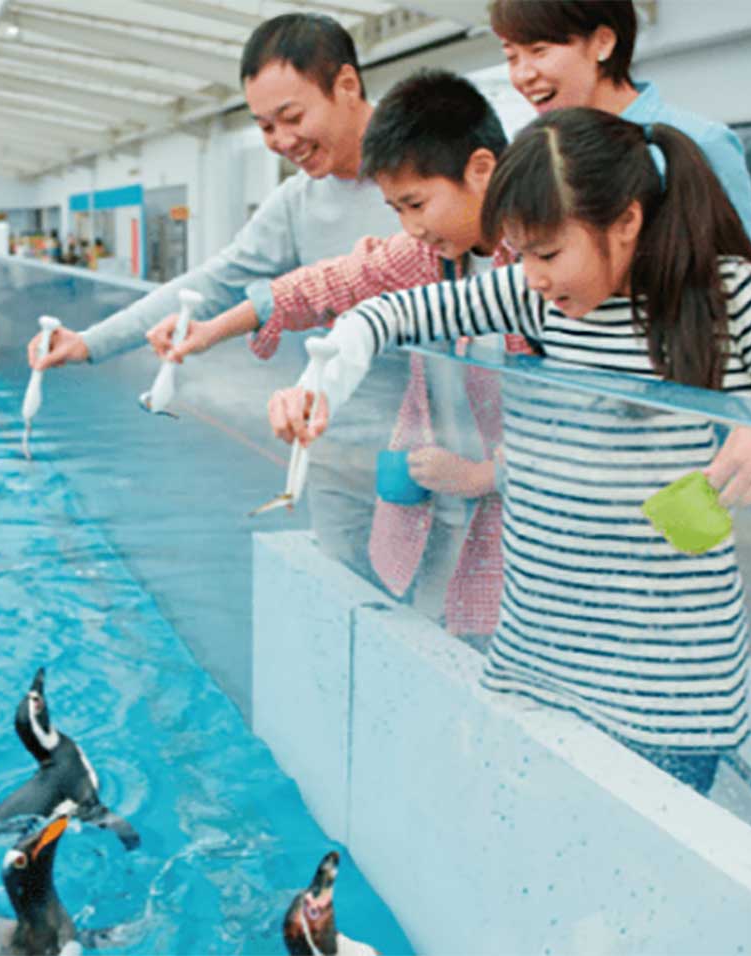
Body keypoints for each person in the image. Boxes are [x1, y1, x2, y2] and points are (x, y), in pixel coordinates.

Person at [267, 109, 751, 792]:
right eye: (520, 252)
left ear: (625, 221)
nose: (531, 275)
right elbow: (392, 312)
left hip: (667, 687)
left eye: (546, 252)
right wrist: (322, 380)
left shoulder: (729, 294)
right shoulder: (536, 296)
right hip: (538, 655)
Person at [148, 69, 528, 637]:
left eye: (416, 204)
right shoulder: (427, 257)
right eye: (396, 210)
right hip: (441, 510)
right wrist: (207, 330)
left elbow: (588, 417)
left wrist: (484, 475)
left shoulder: (541, 267)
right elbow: (324, 286)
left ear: (480, 170)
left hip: (519, 526)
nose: (410, 228)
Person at [25, 12, 397, 371]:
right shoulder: (296, 201)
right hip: (335, 418)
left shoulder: (441, 164)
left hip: (447, 422)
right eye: (266, 127)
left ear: (347, 85)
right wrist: (90, 342)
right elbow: (217, 282)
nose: (283, 140)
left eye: (293, 117)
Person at [491, 0, 751, 278]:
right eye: (511, 57)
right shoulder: (542, 152)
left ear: (603, 42)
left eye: (539, 50)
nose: (522, 75)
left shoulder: (701, 141)